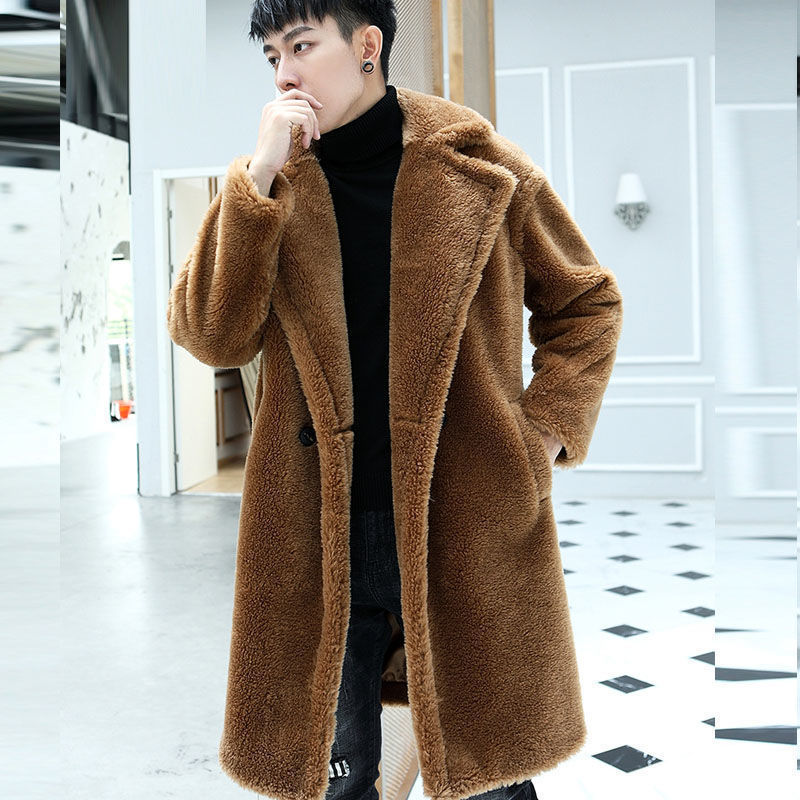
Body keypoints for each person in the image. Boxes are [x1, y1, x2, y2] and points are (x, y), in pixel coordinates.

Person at [166, 2, 623, 800]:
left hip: (463, 516)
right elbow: (211, 334)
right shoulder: (273, 186)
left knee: (488, 775)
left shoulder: (484, 168)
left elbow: (586, 304)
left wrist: (539, 438)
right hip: (318, 529)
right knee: (334, 776)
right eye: (272, 56)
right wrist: (257, 177)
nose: (284, 74)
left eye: (301, 46)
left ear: (367, 45)